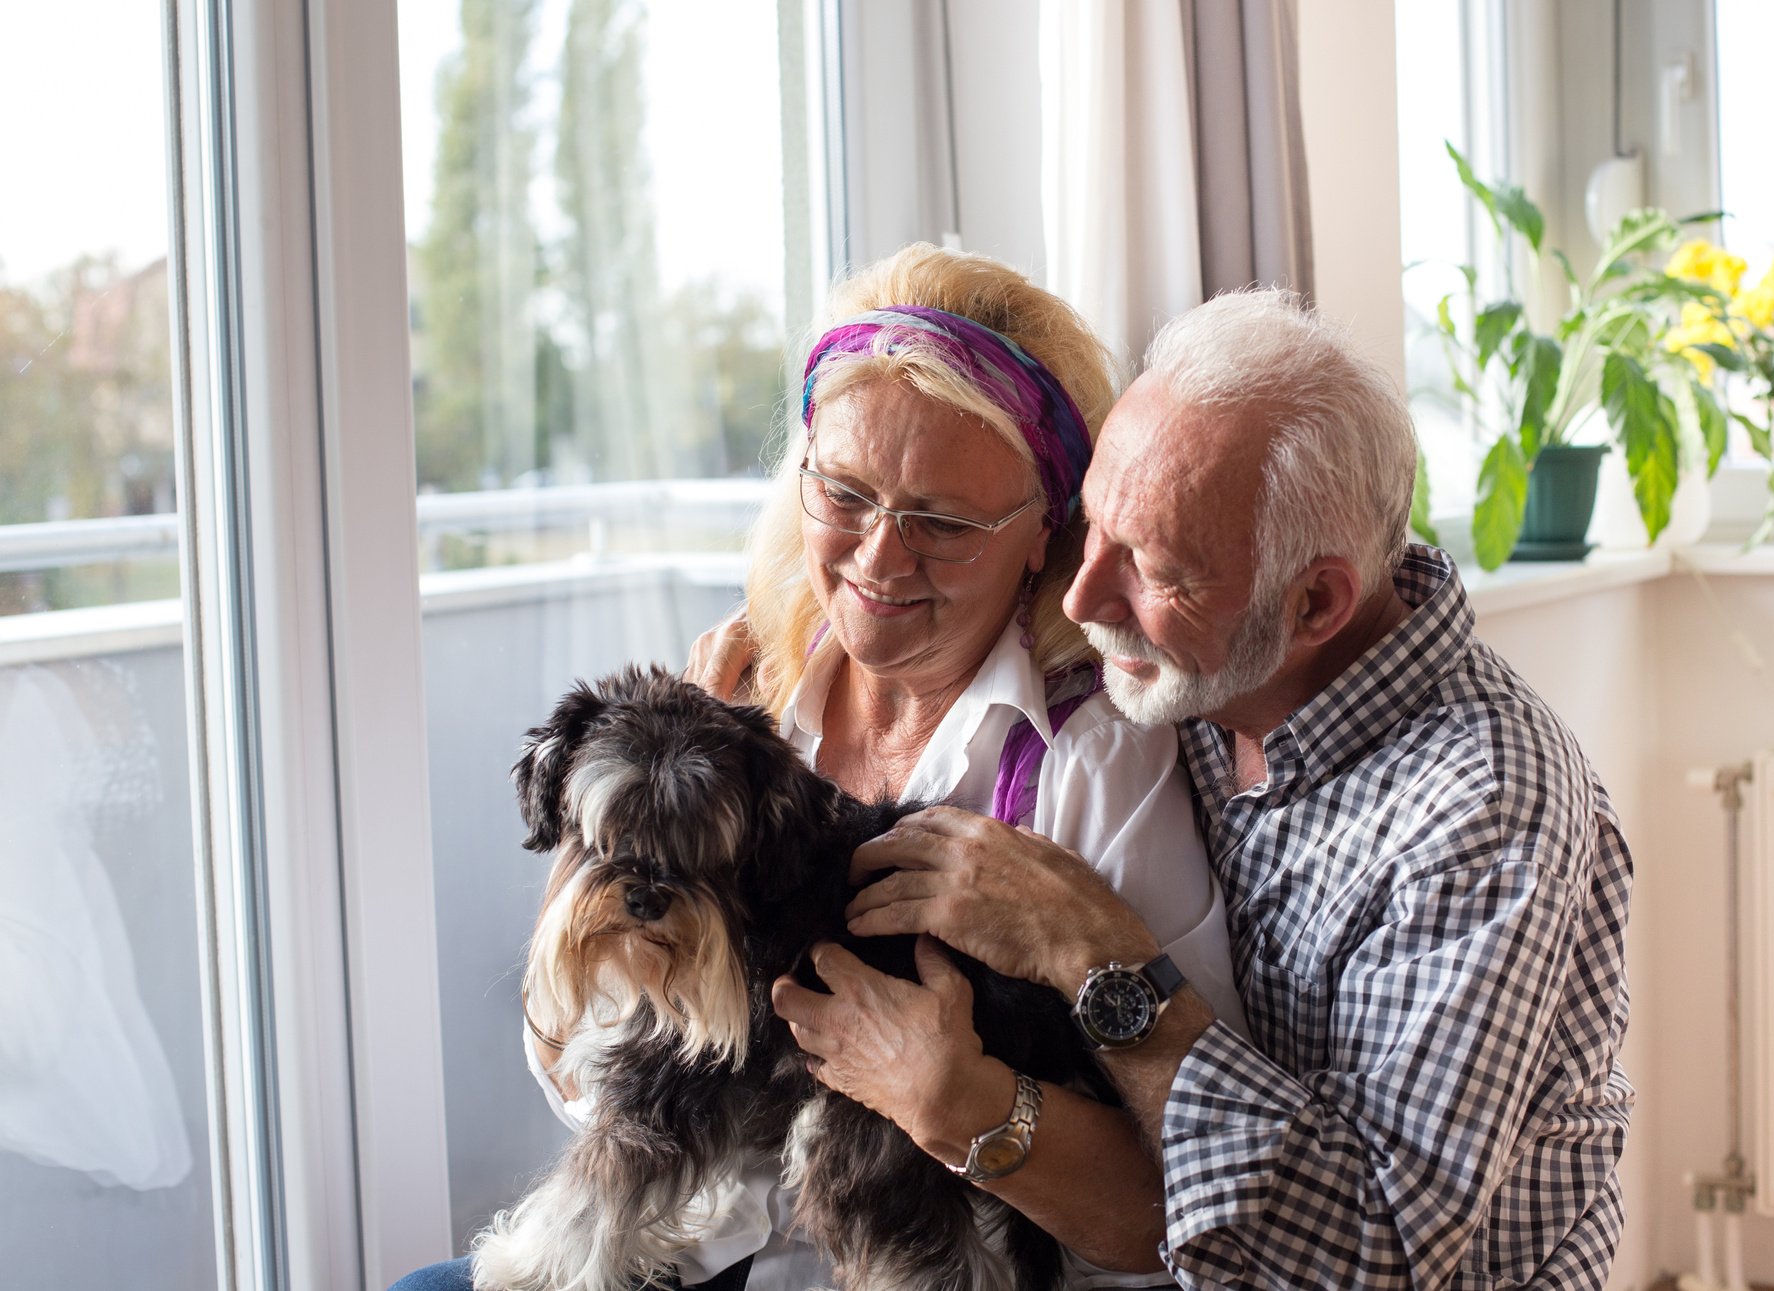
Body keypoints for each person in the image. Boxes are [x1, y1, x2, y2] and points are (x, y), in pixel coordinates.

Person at [389, 243, 1246, 1291]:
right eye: (845, 492)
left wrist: (965, 1099)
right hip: (689, 1251)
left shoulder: (1094, 764)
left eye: (942, 520)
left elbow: (1189, 1200)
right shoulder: (737, 697)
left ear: (1042, 533)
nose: (881, 557)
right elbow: (587, 1067)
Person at [795, 289, 1635, 1289]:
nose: (1081, 598)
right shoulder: (1206, 673)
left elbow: (1376, 1253)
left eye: (1151, 569)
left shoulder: (1481, 811)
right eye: (1091, 528)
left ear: (1314, 601)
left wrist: (1098, 956)